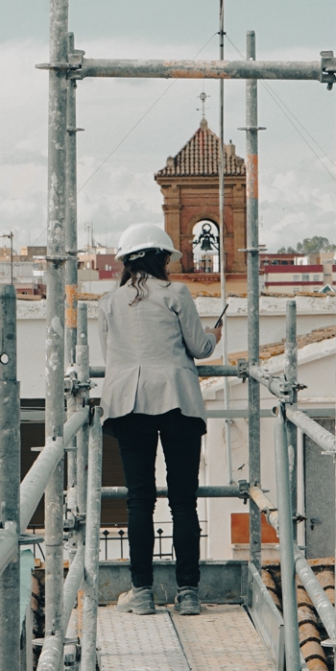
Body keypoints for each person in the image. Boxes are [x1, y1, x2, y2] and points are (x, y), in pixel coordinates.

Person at [100, 222, 222, 616]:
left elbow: (112, 354)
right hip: (177, 401)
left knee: (139, 501)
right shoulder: (177, 293)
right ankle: (188, 593)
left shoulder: (109, 302)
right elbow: (199, 348)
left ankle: (142, 593)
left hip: (129, 402)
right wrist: (215, 334)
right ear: (160, 258)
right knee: (183, 501)